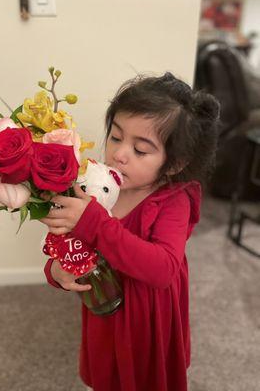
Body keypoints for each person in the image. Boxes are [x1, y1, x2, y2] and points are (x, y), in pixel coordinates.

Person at [40, 72, 219, 391]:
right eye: (116, 137)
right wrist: (56, 271)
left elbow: (163, 269)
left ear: (174, 163)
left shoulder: (173, 200)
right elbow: (68, 244)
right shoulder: (94, 186)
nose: (120, 154)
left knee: (145, 376)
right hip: (105, 309)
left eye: (141, 150)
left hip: (147, 317)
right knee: (108, 372)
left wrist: (94, 222)